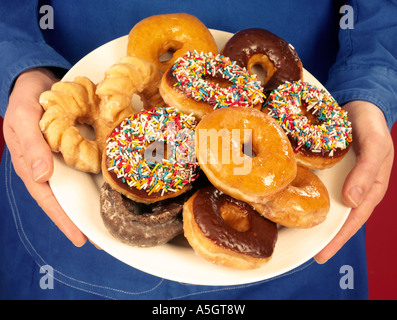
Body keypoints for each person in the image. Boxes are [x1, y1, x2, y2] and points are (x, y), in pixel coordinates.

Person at [0, 0, 395, 300]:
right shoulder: (157, 110)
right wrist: (21, 62)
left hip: (296, 266)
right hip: (75, 247)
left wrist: (370, 88)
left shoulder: (245, 109)